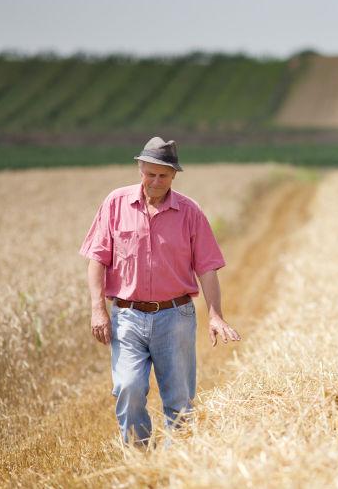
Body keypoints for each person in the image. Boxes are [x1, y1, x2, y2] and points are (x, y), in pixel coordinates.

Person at [80, 136, 241, 446]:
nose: (155, 181)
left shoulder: (190, 212)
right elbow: (97, 259)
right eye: (149, 173)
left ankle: (173, 469)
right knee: (127, 388)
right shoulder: (115, 203)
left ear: (174, 176)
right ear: (140, 169)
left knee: (179, 402)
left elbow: (206, 267)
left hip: (175, 317)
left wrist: (216, 315)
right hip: (126, 317)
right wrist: (98, 309)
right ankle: (139, 465)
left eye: (163, 175)